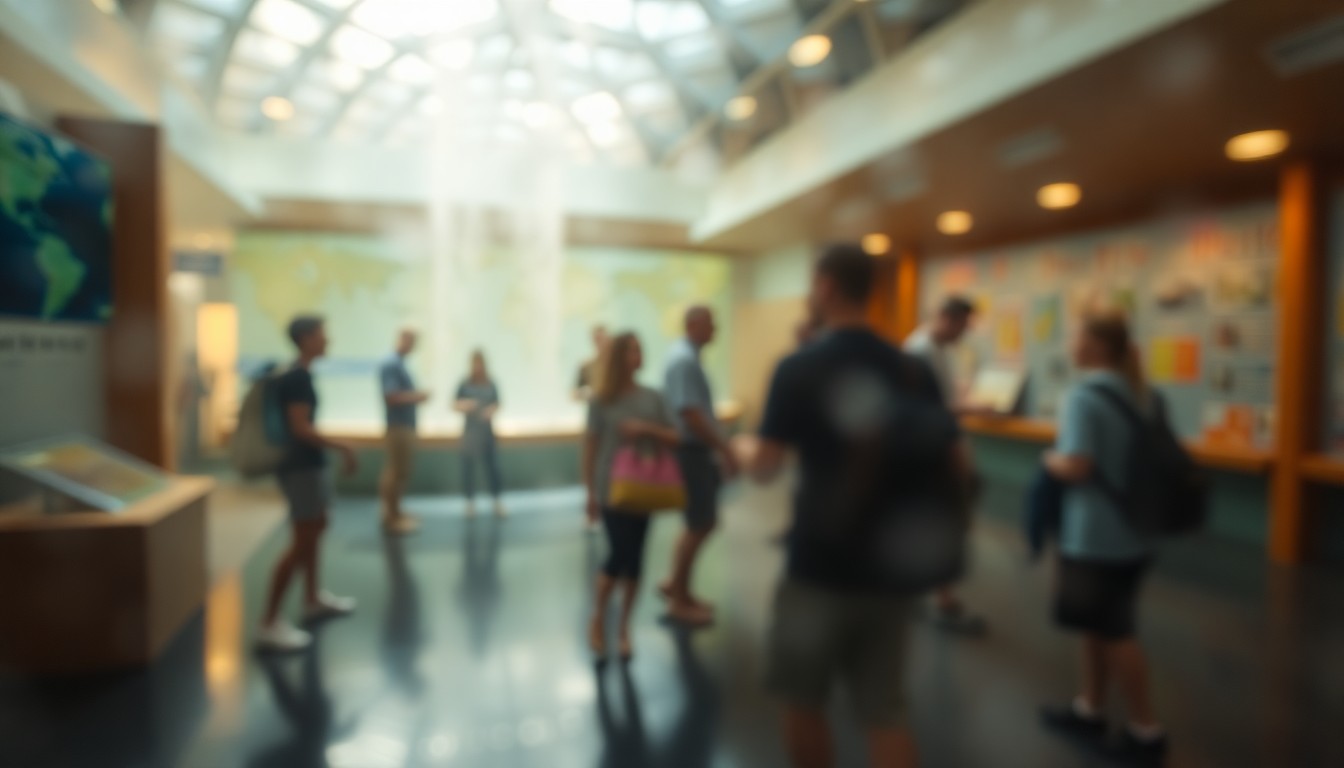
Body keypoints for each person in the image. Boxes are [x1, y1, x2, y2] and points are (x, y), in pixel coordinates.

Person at [745, 244, 965, 768]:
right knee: (885, 712)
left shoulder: (797, 367)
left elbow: (765, 467)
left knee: (802, 700)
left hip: (817, 567)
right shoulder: (913, 370)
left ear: (826, 286)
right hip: (891, 569)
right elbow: (956, 461)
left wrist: (741, 449)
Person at [1040, 310, 1167, 763]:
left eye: (1075, 334)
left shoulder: (1083, 396)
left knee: (1115, 631)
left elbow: (1077, 465)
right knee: (1097, 624)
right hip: (1136, 533)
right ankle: (1089, 707)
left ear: (1095, 346)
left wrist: (1049, 460)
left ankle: (1146, 730)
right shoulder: (1143, 393)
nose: (1070, 342)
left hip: (1094, 537)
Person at [256, 315, 359, 653]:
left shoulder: (299, 374)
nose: (327, 340)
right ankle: (269, 622)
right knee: (302, 539)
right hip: (300, 468)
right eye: (321, 334)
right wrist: (342, 447)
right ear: (305, 338)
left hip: (308, 467)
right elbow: (300, 428)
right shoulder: (297, 377)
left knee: (316, 528)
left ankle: (312, 598)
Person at [584, 331, 680, 660]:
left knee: (636, 560)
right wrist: (589, 493)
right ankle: (598, 618)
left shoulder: (654, 397)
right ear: (617, 358)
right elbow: (590, 446)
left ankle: (624, 626)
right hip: (611, 488)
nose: (637, 356)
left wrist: (645, 429)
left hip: (645, 486)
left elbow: (675, 436)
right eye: (630, 351)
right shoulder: (601, 400)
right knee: (619, 555)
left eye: (640, 350)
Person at [903, 295, 989, 634]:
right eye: (963, 325)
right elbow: (930, 411)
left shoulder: (936, 351)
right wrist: (968, 410)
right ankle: (942, 600)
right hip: (930, 456)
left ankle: (933, 594)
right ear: (947, 318)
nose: (964, 333)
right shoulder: (920, 351)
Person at [660, 306, 738, 626]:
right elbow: (690, 412)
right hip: (691, 451)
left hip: (695, 450)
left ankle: (678, 586)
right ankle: (678, 599)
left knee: (698, 523)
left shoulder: (685, 357)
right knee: (701, 523)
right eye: (710, 323)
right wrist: (725, 448)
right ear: (693, 324)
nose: (715, 329)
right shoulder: (684, 360)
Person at [379, 329, 430, 535]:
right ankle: (392, 517)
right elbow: (391, 396)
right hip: (398, 426)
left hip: (403, 425)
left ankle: (396, 512)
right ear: (402, 339)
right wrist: (417, 397)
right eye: (411, 341)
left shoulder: (398, 363)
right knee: (396, 471)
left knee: (400, 471)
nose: (413, 346)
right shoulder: (391, 364)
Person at [454, 349, 505, 517]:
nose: (478, 367)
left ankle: (496, 501)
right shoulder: (465, 383)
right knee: (468, 469)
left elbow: (498, 403)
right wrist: (466, 405)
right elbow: (454, 404)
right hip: (470, 433)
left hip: (486, 431)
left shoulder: (490, 382)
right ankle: (470, 502)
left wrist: (490, 410)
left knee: (492, 468)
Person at [573, 324, 609, 402]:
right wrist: (584, 393)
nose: (601, 343)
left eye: (602, 339)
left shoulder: (616, 365)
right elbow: (573, 394)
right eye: (597, 339)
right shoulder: (586, 367)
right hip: (594, 409)